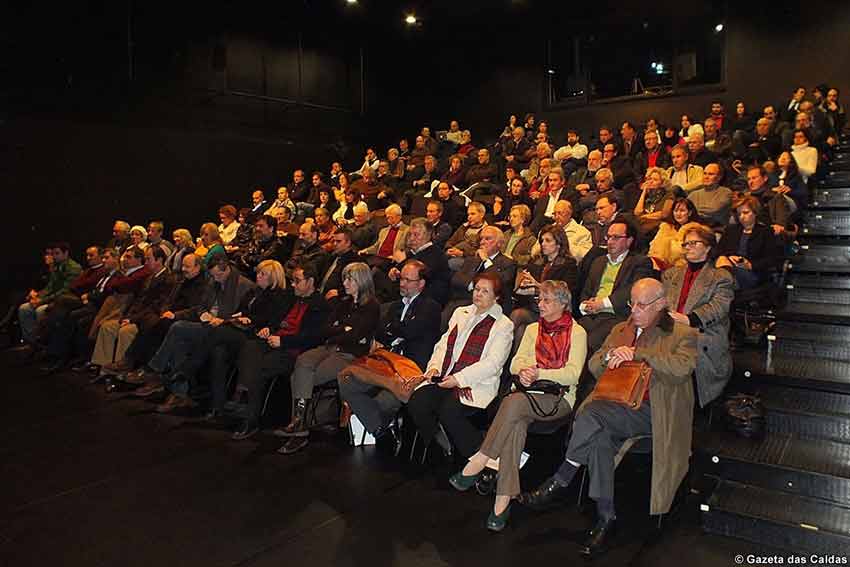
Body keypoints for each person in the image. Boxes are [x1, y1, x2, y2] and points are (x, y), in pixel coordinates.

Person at [521, 278, 697, 558]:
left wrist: (638, 354)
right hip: (614, 405)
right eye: (631, 304)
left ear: (661, 304)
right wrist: (610, 357)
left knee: (591, 414)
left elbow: (681, 368)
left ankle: (562, 478)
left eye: (642, 305)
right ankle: (606, 517)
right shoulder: (620, 329)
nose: (635, 311)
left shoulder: (681, 333)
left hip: (654, 413)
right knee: (599, 434)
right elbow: (593, 365)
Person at [449, 281, 586, 531]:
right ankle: (502, 502)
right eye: (539, 300)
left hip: (558, 399)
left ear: (563, 304)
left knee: (513, 403)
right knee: (516, 424)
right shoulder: (533, 329)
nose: (540, 305)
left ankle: (480, 459)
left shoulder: (577, 332)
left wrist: (539, 373)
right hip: (525, 394)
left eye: (546, 300)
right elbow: (514, 365)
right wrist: (523, 371)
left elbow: (573, 375)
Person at [406, 272, 513, 460]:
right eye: (477, 289)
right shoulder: (460, 312)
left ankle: (478, 460)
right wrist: (434, 368)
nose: (478, 294)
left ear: (496, 297)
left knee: (449, 410)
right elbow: (443, 345)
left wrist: (458, 379)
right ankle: (440, 442)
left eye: (485, 291)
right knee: (418, 401)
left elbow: (493, 364)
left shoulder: (503, 325)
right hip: (446, 376)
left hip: (474, 384)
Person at [277, 262, 380, 455]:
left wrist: (340, 329)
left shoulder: (371, 306)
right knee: (303, 361)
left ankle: (299, 429)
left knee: (298, 378)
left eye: (349, 279)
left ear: (361, 281)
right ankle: (300, 424)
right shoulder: (344, 302)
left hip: (350, 354)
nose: (345, 283)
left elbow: (356, 335)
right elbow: (326, 329)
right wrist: (343, 328)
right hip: (330, 347)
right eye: (344, 278)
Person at [338, 260, 442, 449]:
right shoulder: (395, 306)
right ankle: (381, 430)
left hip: (410, 367)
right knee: (345, 377)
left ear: (421, 283)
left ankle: (377, 426)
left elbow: (411, 331)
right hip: (385, 363)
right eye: (401, 278)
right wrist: (397, 330)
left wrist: (393, 329)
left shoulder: (430, 307)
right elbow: (379, 332)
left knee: (384, 402)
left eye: (408, 280)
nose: (402, 283)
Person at [224, 264, 329, 440]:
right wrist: (269, 329)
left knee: (258, 366)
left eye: (297, 281)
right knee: (250, 347)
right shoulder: (291, 298)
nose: (293, 285)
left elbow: (313, 338)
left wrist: (283, 341)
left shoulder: (320, 306)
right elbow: (277, 319)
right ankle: (245, 398)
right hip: (276, 340)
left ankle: (250, 415)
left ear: (310, 282)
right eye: (292, 281)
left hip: (293, 350)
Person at [201, 260, 291, 422]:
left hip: (253, 334)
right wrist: (239, 316)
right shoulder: (253, 291)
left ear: (274, 277)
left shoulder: (279, 295)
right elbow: (240, 310)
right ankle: (217, 404)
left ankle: (191, 364)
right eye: (258, 272)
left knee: (215, 333)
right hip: (240, 329)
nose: (258, 276)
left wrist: (248, 318)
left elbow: (271, 319)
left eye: (263, 274)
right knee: (218, 352)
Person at [662, 224, 733, 407]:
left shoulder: (720, 276)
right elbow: (661, 302)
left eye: (694, 243)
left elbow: (718, 308)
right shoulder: (672, 274)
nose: (688, 247)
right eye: (686, 244)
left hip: (704, 332)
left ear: (708, 247)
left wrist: (688, 319)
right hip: (671, 329)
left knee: (683, 346)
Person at [91, 246, 176, 373]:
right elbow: (138, 301)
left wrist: (132, 319)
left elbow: (155, 306)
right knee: (107, 327)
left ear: (159, 260)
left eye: (148, 259)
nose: (146, 262)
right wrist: (127, 316)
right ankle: (102, 366)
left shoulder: (168, 279)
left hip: (147, 319)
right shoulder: (150, 277)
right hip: (136, 315)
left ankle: (122, 370)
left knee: (126, 331)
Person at [578, 220, 654, 352]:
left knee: (590, 342)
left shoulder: (640, 262)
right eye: (608, 237)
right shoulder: (598, 261)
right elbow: (586, 291)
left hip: (617, 316)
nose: (610, 241)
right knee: (571, 337)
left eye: (616, 237)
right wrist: (585, 306)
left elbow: (634, 290)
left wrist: (602, 304)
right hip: (591, 315)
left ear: (629, 241)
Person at [18, 243, 82, 346]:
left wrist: (41, 301)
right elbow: (50, 287)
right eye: (53, 254)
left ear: (66, 253)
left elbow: (64, 291)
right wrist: (38, 296)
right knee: (24, 309)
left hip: (64, 300)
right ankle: (32, 342)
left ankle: (45, 343)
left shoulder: (73, 268)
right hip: (52, 298)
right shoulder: (57, 266)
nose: (54, 256)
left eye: (57, 253)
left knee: (40, 311)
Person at [447, 226, 517, 318]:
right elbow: (456, 280)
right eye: (481, 239)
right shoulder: (472, 259)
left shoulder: (508, 263)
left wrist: (486, 260)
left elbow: (500, 283)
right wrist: (474, 285)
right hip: (465, 301)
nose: (482, 242)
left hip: (492, 305)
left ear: (499, 243)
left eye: (487, 239)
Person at [715, 196, 780, 290]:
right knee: (721, 260)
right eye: (739, 214)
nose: (741, 216)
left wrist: (750, 265)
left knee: (719, 275)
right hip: (729, 267)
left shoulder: (766, 232)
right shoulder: (731, 230)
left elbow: (772, 259)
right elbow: (718, 251)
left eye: (745, 212)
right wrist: (730, 257)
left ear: (755, 213)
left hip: (753, 273)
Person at [648, 198, 703, 270]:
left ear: (689, 213)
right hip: (657, 263)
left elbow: (682, 252)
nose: (678, 214)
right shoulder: (666, 227)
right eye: (675, 211)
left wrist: (668, 244)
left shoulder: (695, 229)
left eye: (682, 210)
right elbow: (653, 246)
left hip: (680, 267)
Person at [686, 163, 733, 229]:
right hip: (694, 229)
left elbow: (713, 211)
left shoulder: (726, 192)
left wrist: (696, 212)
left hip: (716, 230)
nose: (706, 177)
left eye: (710, 174)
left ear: (719, 177)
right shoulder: (693, 194)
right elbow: (686, 213)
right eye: (705, 173)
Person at [633, 167, 674, 237]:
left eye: (655, 180)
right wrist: (644, 191)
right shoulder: (647, 195)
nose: (651, 181)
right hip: (644, 225)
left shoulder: (669, 194)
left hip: (659, 227)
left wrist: (644, 217)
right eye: (650, 179)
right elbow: (637, 212)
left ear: (662, 183)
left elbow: (664, 214)